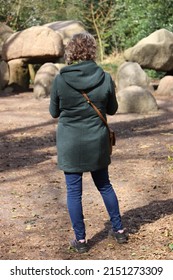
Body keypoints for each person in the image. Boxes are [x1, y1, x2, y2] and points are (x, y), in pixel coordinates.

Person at [49, 32, 128, 253]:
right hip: (97, 142)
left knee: (74, 192)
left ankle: (81, 241)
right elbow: (112, 109)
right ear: (92, 50)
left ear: (71, 51)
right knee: (104, 185)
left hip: (70, 144)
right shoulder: (104, 77)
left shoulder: (60, 79)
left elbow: (54, 112)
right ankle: (119, 230)